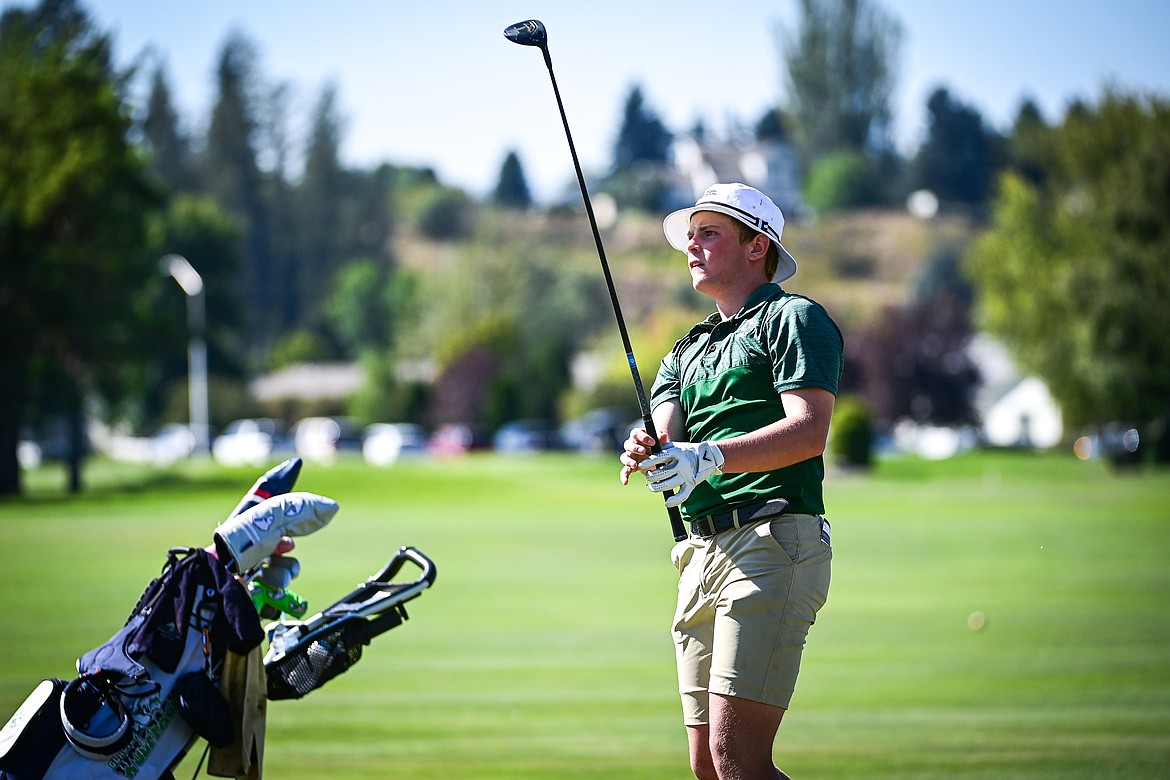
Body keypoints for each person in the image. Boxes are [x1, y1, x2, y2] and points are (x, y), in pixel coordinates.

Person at [619, 183, 842, 780]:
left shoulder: (794, 318)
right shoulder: (685, 349)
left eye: (709, 233)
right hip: (700, 553)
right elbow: (668, 438)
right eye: (690, 236)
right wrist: (649, 449)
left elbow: (809, 431)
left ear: (756, 246)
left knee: (738, 759)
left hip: (772, 541)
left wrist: (707, 458)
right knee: (707, 768)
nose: (692, 246)